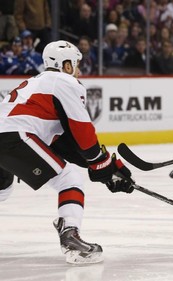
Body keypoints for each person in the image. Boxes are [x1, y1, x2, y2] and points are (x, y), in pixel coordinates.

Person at [0, 40, 136, 264]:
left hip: (8, 136)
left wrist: (107, 168)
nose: (79, 69)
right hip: (14, 138)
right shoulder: (63, 81)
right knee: (69, 178)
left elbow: (64, 145)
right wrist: (100, 164)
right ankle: (70, 236)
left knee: (2, 189)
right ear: (65, 64)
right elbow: (82, 131)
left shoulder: (39, 83)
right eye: (76, 63)